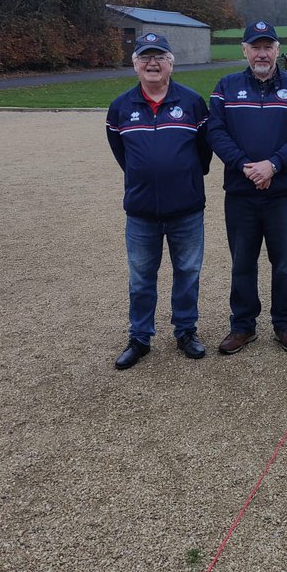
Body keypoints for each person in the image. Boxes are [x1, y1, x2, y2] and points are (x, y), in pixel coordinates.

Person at [105, 33, 212, 370]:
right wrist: (147, 176)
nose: (152, 63)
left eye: (160, 56)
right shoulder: (121, 107)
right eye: (145, 57)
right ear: (135, 63)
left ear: (171, 63)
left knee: (188, 273)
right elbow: (122, 153)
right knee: (140, 277)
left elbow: (204, 154)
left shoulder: (193, 102)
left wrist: (182, 178)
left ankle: (185, 331)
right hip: (141, 213)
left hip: (186, 210)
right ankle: (139, 337)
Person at [207, 21, 287, 354]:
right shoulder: (226, 86)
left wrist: (274, 165)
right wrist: (245, 165)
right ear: (245, 50)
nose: (262, 53)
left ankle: (284, 324)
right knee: (242, 261)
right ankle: (243, 326)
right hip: (241, 192)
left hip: (282, 192)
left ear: (277, 50)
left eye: (268, 46)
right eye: (255, 47)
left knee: (284, 262)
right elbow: (216, 132)